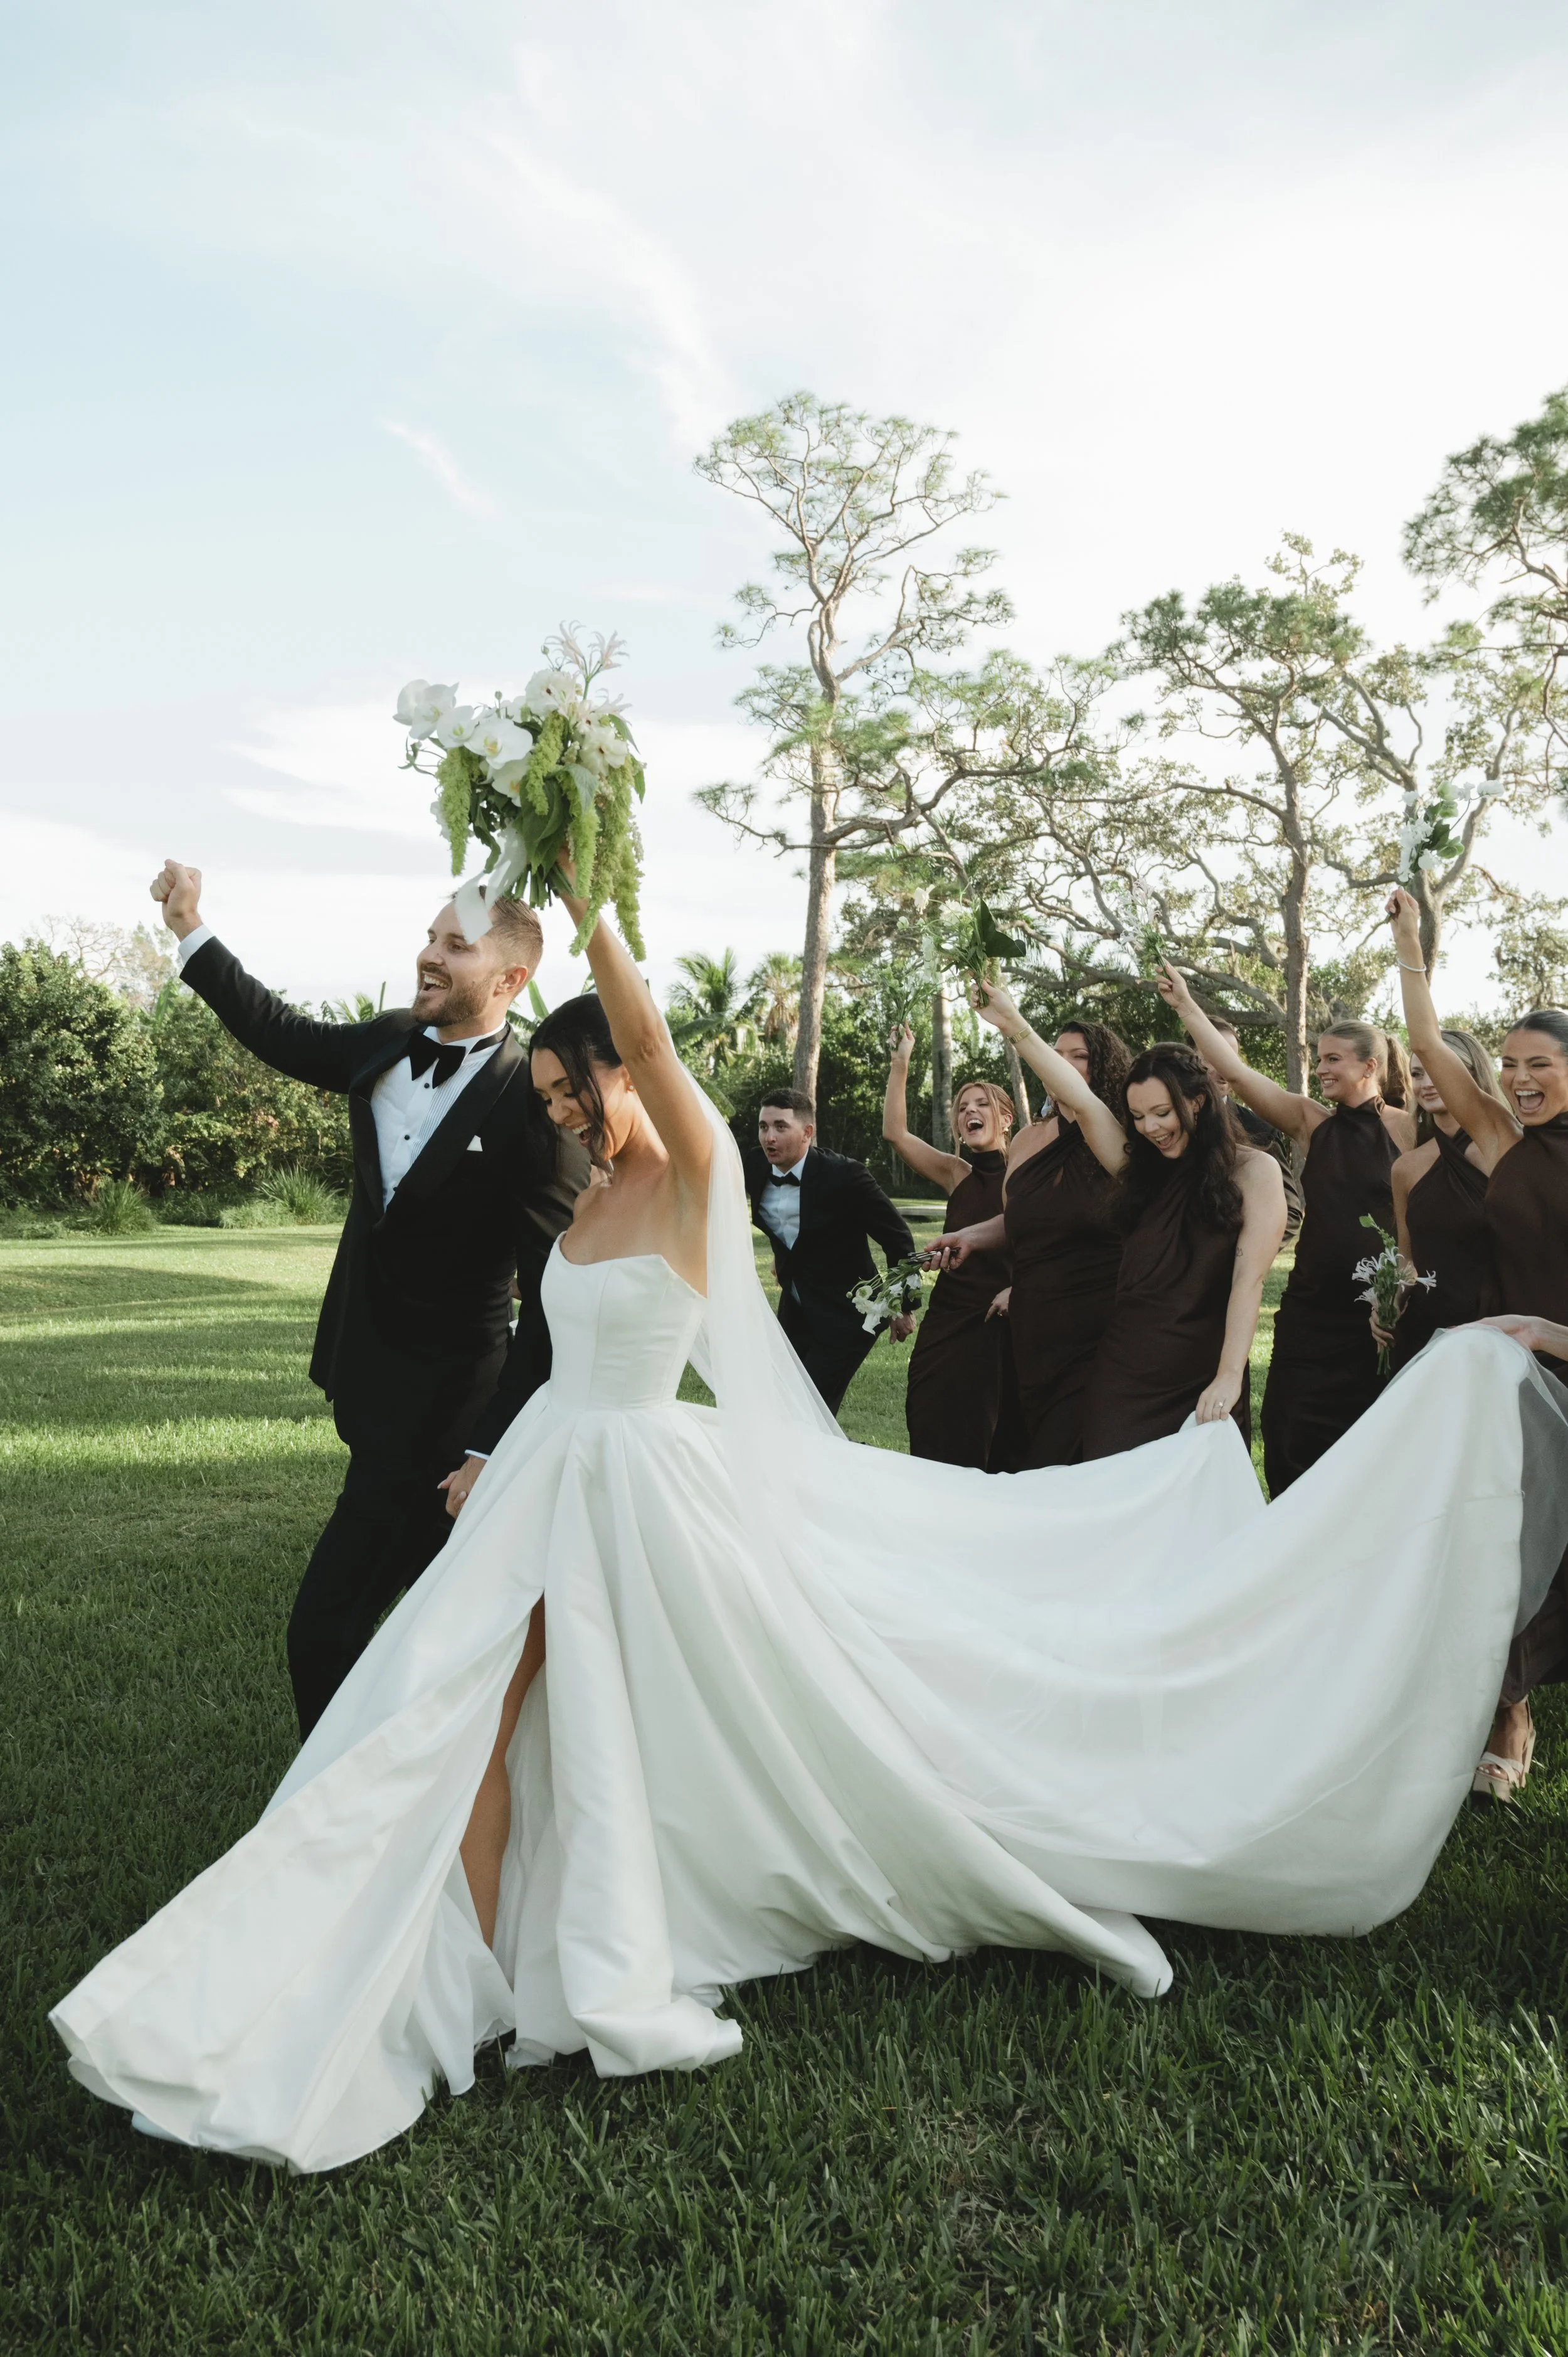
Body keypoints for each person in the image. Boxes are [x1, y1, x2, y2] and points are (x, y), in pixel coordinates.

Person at [51, 877, 1568, 2174]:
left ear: (630, 1071)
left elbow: (639, 1035)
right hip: (544, 1478)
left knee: (555, 1701)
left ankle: (498, 1950)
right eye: (567, 1097)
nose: (572, 1109)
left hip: (638, 1485)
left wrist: (595, 899)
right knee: (467, 1702)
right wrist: (480, 1447)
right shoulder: (584, 1198)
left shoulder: (694, 1170)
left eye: (587, 1088)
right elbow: (541, 1344)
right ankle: (466, 1943)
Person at [147, 859, 586, 1737]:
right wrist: (190, 928)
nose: (429, 955)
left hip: (448, 1416)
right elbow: (278, 1030)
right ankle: (422, 1800)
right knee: (438, 1634)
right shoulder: (387, 1041)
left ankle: (336, 1812)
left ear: (510, 979)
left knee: (325, 1628)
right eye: (429, 937)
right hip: (368, 1378)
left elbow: (552, 1308)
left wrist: (486, 1447)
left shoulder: (533, 1115)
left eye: (453, 946)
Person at [1386, 885, 1568, 1800]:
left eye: (1541, 1062)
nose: (1521, 1077)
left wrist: (1553, 1330)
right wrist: (1413, 947)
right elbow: (1425, 1046)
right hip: (1520, 1380)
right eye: (1511, 1063)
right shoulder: (1502, 1139)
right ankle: (1508, 1710)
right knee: (1512, 1545)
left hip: (1558, 1351)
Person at [967, 994, 1286, 1456]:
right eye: (1137, 1117)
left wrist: (1229, 1375)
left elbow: (1249, 1281)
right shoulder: (1138, 1172)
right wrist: (1013, 1024)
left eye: (1162, 1113)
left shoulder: (1255, 1172)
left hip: (1204, 1368)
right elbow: (1080, 1097)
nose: (1150, 1128)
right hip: (1125, 1369)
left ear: (1198, 1103)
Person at [1158, 966, 1415, 1496]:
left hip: (1378, 1317)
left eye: (1332, 1060)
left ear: (1370, 1065)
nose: (1320, 1069)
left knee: (1368, 1453)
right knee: (1288, 1432)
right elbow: (1237, 1071)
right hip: (1309, 1313)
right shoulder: (1310, 1122)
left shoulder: (1409, 1130)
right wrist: (1186, 1005)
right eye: (1318, 1058)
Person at [931, 1019, 1129, 1467]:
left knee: (1067, 1455)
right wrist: (971, 1237)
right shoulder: (1026, 1140)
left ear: (1105, 1068)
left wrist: (1008, 1017)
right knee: (1020, 1453)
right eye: (1056, 1055)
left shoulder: (1115, 1134)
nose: (1063, 1064)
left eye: (1079, 1056)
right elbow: (1020, 1220)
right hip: (1031, 1325)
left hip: (1095, 1322)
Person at [881, 1029, 1017, 1468]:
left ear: (1007, 1119)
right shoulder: (957, 1174)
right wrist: (901, 1062)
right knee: (929, 1427)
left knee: (986, 1443)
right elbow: (896, 1133)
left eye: (981, 1104)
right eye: (962, 1108)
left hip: (999, 1330)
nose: (970, 1112)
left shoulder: (1026, 1177)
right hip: (944, 1329)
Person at [743, 1088, 916, 1416]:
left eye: (781, 1127)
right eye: (764, 1127)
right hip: (796, 1304)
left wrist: (901, 1307)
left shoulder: (846, 1176)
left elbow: (899, 1239)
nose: (770, 1137)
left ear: (807, 1133)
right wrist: (784, 1260)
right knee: (779, 1401)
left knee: (811, 1411)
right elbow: (783, 1228)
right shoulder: (756, 1167)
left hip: (849, 1313)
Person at [1374, 1029, 1504, 1375]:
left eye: (1439, 1071)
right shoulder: (1407, 1168)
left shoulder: (1505, 1154)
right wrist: (1388, 1300)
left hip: (1499, 1330)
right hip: (1425, 1333)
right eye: (1417, 1074)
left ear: (1472, 1076)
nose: (1427, 1083)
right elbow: (1407, 1260)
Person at [1205, 1019, 1304, 1241]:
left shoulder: (1259, 1129)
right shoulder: (1165, 1126)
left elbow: (1291, 1213)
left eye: (1230, 1058)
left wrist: (1244, 1257)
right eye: (1213, 1056)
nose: (1224, 1067)